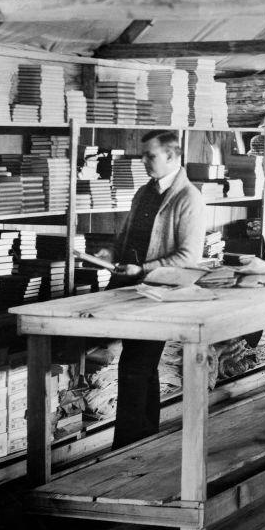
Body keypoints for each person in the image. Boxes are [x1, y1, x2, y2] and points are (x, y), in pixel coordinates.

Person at [102, 130, 206, 449]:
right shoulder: (145, 192)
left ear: (172, 156)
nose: (144, 161)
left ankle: (126, 450)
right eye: (143, 155)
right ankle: (145, 443)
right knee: (141, 368)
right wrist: (111, 255)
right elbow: (127, 238)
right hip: (132, 290)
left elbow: (188, 258)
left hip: (161, 294)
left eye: (151, 156)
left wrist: (143, 269)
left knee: (134, 366)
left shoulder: (188, 198)